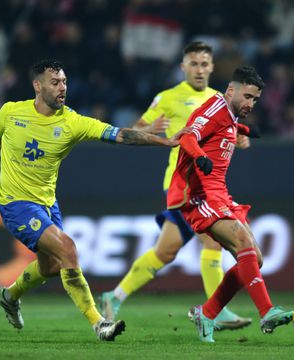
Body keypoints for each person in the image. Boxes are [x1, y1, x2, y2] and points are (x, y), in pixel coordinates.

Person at [0, 59, 186, 341]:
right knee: (68, 250)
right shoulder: (11, 112)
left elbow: (121, 135)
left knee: (51, 266)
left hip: (47, 204)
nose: (62, 87)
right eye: (55, 82)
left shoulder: (73, 122)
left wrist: (165, 141)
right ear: (37, 86)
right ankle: (99, 323)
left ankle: (9, 295)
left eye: (64, 81)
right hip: (15, 204)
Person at [101, 41, 251, 330]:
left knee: (165, 251)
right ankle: (216, 311)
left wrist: (239, 139)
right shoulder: (168, 97)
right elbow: (134, 130)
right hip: (183, 184)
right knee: (212, 240)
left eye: (204, 63)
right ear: (183, 67)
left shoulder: (221, 99)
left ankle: (114, 296)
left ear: (211, 67)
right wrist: (150, 129)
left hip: (209, 186)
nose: (199, 69)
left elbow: (227, 134)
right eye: (193, 63)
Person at [168, 65, 294, 343]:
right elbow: (188, 136)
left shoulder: (229, 113)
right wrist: (199, 156)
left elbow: (226, 124)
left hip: (219, 193)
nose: (250, 103)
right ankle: (267, 312)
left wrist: (245, 129)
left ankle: (207, 313)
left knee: (255, 259)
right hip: (197, 194)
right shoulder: (213, 109)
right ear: (231, 90)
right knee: (242, 242)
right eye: (247, 97)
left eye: (255, 100)